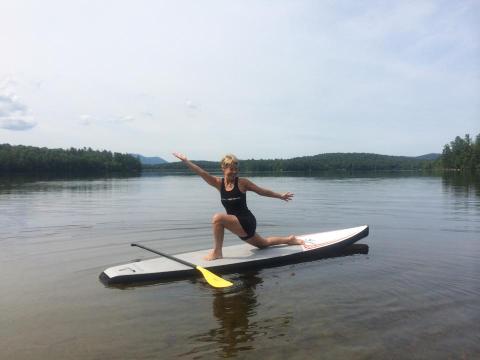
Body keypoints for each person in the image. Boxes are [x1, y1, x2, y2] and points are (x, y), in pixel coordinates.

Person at [172, 152, 305, 260]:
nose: (234, 172)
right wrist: (186, 161)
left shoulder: (242, 183)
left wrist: (280, 195)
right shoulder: (218, 183)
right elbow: (202, 173)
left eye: (236, 169)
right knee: (263, 244)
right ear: (223, 168)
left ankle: (217, 252)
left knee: (218, 218)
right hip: (237, 224)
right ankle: (290, 239)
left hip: (247, 221)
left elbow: (261, 191)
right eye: (231, 169)